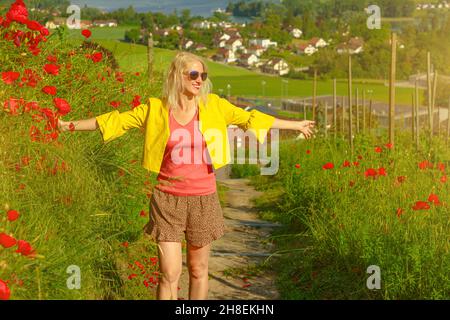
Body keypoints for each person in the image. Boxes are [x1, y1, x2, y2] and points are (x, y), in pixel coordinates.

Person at [57, 51, 315, 300]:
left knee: (198, 270)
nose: (199, 80)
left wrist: (295, 125)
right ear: (176, 76)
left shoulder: (215, 106)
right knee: (169, 273)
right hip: (167, 199)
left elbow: (250, 119)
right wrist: (67, 126)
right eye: (193, 74)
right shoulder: (156, 109)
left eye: (203, 74)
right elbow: (116, 121)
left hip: (203, 199)